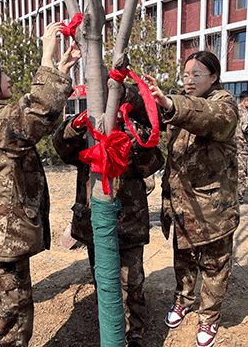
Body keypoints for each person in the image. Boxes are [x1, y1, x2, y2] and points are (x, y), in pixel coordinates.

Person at [0, 22, 80, 346]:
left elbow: (34, 113)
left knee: (12, 310)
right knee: (5, 319)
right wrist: (46, 58)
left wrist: (60, 68)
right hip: (1, 233)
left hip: (0, 232)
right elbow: (32, 118)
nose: (8, 77)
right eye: (2, 72)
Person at [52, 84, 164, 347]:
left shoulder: (134, 128)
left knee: (131, 283)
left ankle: (134, 333)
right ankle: (110, 326)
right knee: (103, 278)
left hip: (129, 221)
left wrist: (132, 137)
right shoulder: (86, 127)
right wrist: (77, 126)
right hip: (95, 222)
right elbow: (62, 148)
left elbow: (154, 163)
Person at [144, 51, 239, 347]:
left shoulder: (224, 106)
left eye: (196, 75)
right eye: (185, 75)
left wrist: (170, 103)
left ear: (214, 76)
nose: (188, 81)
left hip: (213, 208)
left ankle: (209, 317)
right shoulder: (179, 110)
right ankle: (182, 300)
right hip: (182, 204)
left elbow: (206, 116)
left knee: (214, 265)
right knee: (183, 258)